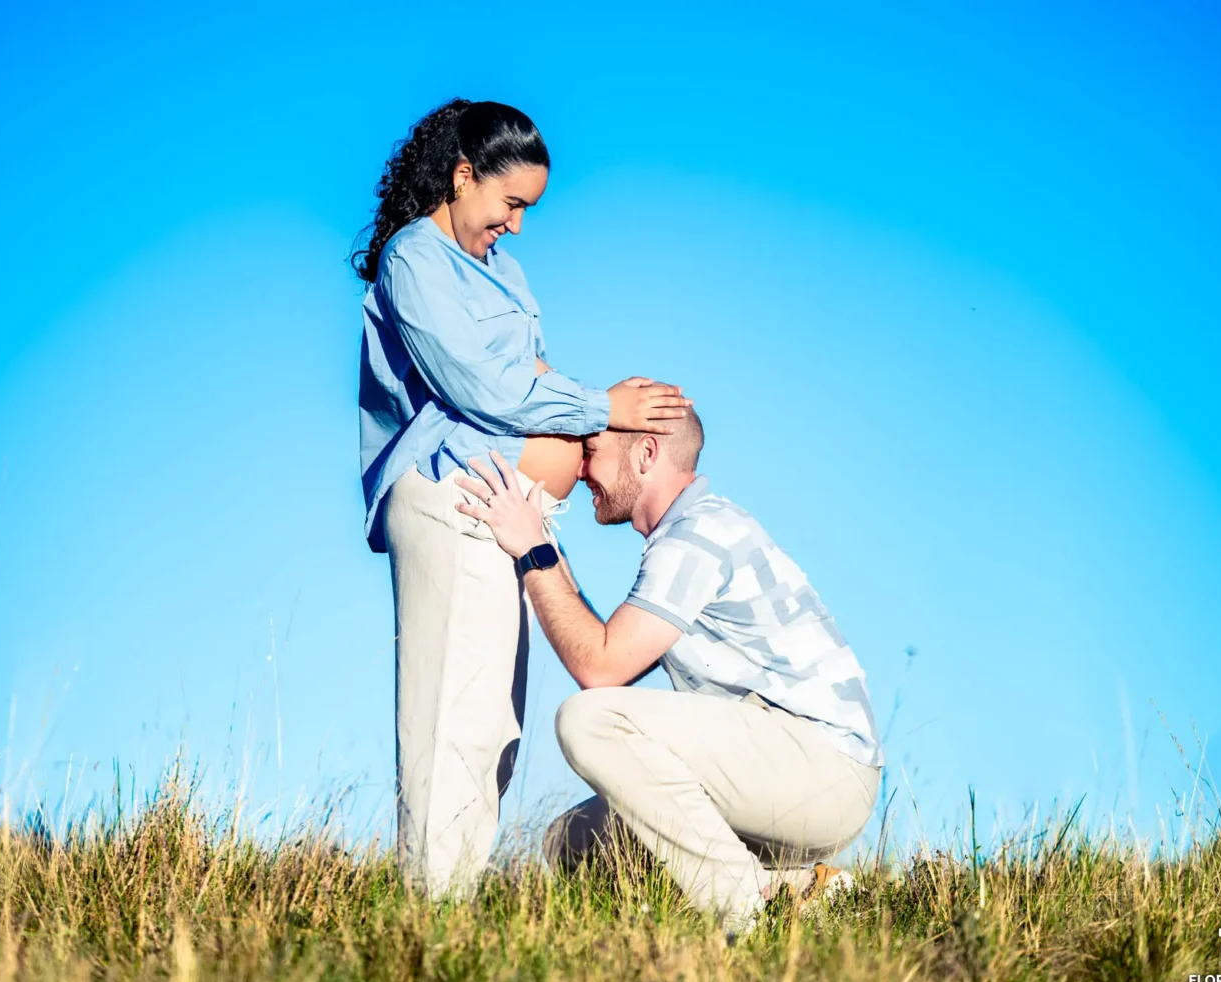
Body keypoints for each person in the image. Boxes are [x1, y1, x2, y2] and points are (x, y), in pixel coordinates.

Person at [355, 98, 692, 898]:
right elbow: (483, 387)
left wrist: (585, 422)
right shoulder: (414, 260)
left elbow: (532, 375)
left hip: (502, 513)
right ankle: (431, 905)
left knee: (494, 718)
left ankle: (455, 896)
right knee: (451, 711)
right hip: (451, 494)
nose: (516, 225)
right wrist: (603, 408)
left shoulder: (502, 270)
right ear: (462, 176)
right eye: (510, 203)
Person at [454, 411, 883, 935]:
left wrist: (533, 551)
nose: (581, 470)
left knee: (588, 719)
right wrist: (541, 537)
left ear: (646, 453)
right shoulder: (688, 531)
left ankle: (746, 909)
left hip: (823, 772)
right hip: (786, 771)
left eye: (592, 452)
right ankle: (802, 890)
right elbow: (612, 658)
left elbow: (600, 667)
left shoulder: (698, 534)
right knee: (572, 843)